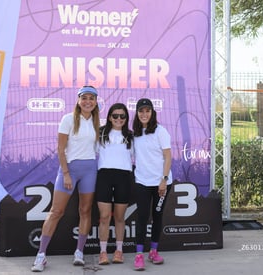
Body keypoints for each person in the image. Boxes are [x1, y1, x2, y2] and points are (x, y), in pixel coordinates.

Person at [31, 86, 100, 272]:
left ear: (96, 101)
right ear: (78, 100)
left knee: (85, 211)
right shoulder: (68, 119)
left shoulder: (96, 122)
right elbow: (61, 149)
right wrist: (67, 173)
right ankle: (41, 255)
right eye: (84, 98)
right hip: (69, 170)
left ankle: (79, 252)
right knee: (56, 211)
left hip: (90, 170)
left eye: (91, 98)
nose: (88, 101)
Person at [132, 98, 172, 271]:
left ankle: (153, 251)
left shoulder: (160, 131)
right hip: (141, 182)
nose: (144, 114)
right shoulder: (134, 134)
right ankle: (139, 255)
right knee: (141, 218)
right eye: (141, 111)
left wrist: (163, 179)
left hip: (160, 183)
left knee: (157, 217)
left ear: (152, 113)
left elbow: (168, 156)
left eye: (147, 111)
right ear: (137, 113)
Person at [95, 103, 134, 265]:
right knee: (104, 217)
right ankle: (103, 252)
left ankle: (119, 251)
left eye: (122, 116)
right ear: (110, 117)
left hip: (124, 177)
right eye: (115, 115)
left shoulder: (132, 136)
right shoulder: (100, 133)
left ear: (126, 118)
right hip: (104, 176)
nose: (119, 119)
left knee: (119, 217)